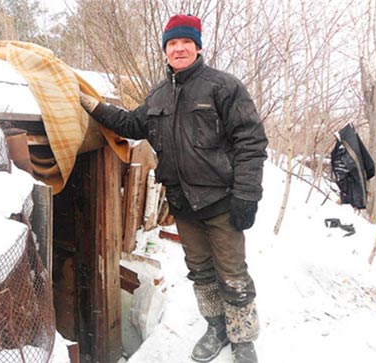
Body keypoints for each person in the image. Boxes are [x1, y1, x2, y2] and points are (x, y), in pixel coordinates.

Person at [80, 14, 268, 363]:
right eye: (172, 44)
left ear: (197, 47)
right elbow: (131, 124)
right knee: (200, 271)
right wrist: (94, 106)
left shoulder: (223, 87)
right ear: (165, 50)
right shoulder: (159, 96)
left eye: (185, 42)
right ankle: (216, 327)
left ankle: (242, 338)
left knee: (233, 273)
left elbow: (251, 143)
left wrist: (247, 194)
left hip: (222, 201)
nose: (179, 48)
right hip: (183, 205)